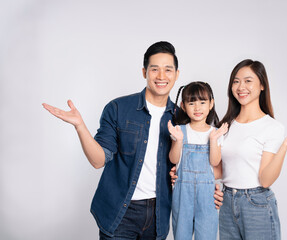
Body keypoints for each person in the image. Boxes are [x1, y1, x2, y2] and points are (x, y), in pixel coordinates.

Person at [42, 41, 223, 240]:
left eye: (168, 70)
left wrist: (207, 190)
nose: (161, 76)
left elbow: (195, 163)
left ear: (177, 74)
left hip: (158, 215)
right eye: (154, 69)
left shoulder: (182, 118)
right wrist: (80, 126)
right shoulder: (118, 108)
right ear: (144, 72)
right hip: (120, 213)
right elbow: (98, 160)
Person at [218, 59, 287, 240]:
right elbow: (218, 169)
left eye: (248, 81)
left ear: (262, 85)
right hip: (226, 203)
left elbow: (265, 180)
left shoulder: (272, 127)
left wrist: (284, 147)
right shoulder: (226, 125)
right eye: (236, 81)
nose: (241, 87)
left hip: (256, 204)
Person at [167, 82, 228, 240]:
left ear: (211, 104)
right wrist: (178, 140)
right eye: (191, 103)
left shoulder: (215, 133)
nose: (197, 108)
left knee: (207, 235)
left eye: (202, 102)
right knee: (181, 235)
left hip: (207, 195)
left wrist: (214, 140)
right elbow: (173, 159)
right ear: (183, 106)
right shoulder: (180, 131)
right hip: (182, 194)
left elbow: (215, 162)